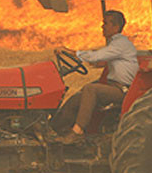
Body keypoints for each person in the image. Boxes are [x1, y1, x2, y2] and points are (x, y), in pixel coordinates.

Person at [51, 9, 138, 141]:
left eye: (106, 23)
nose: (102, 26)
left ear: (115, 27)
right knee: (78, 97)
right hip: (113, 85)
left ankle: (77, 131)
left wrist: (70, 52)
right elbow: (103, 58)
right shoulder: (115, 43)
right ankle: (54, 129)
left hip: (123, 90)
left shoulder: (121, 43)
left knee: (91, 89)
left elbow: (96, 56)